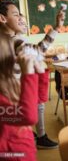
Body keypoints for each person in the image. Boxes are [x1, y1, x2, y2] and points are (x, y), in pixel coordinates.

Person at [0, 0, 65, 149]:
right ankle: (39, 137)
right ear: (3, 18)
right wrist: (56, 28)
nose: (21, 18)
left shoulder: (11, 39)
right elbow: (39, 50)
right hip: (13, 95)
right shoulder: (13, 40)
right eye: (16, 15)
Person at [0, 33, 48, 161]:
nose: (18, 57)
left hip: (25, 152)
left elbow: (40, 99)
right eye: (12, 52)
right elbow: (29, 117)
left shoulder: (10, 84)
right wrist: (28, 74)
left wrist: (40, 72)